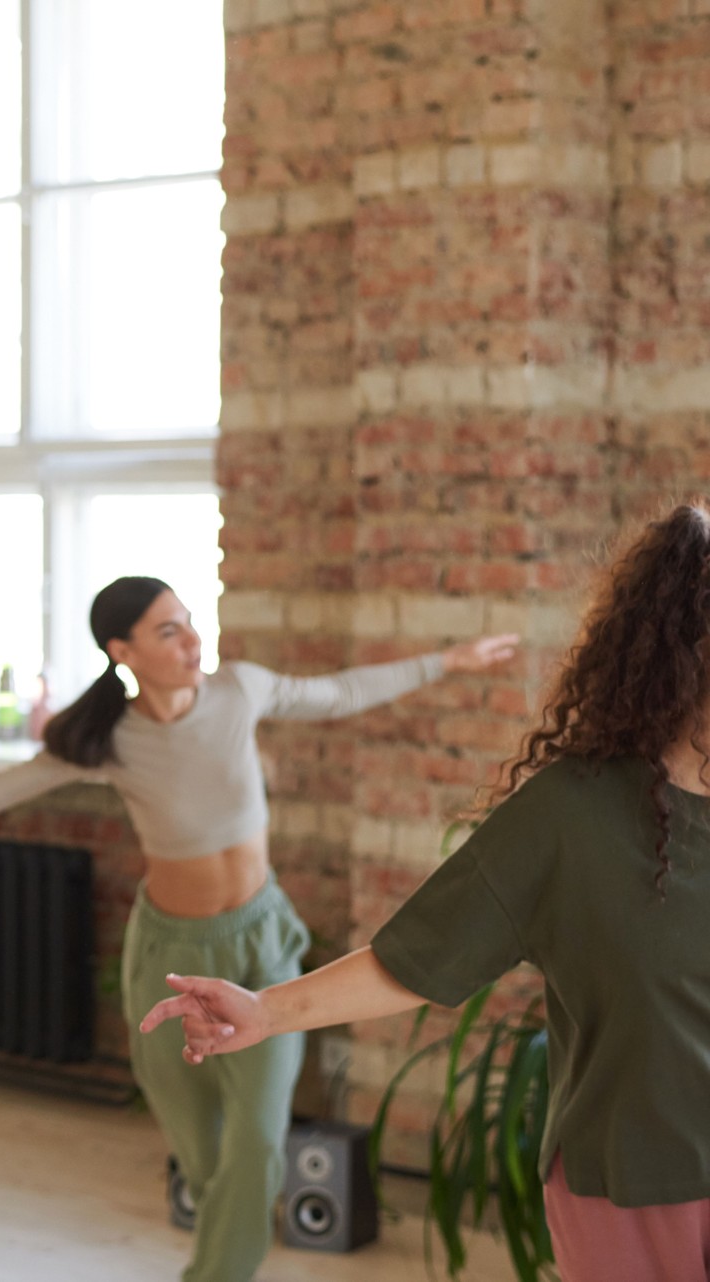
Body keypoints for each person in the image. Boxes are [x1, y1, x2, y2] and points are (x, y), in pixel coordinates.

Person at [140, 502, 710, 1282]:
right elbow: (416, 956)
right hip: (636, 1188)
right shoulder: (570, 818)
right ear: (688, 651)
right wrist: (269, 1010)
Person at [0, 576, 517, 1282]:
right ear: (121, 650)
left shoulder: (238, 691)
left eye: (189, 622)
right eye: (168, 631)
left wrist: (447, 661)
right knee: (204, 1154)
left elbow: (336, 693)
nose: (193, 641)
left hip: (262, 945)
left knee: (257, 1147)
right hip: (170, 956)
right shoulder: (107, 739)